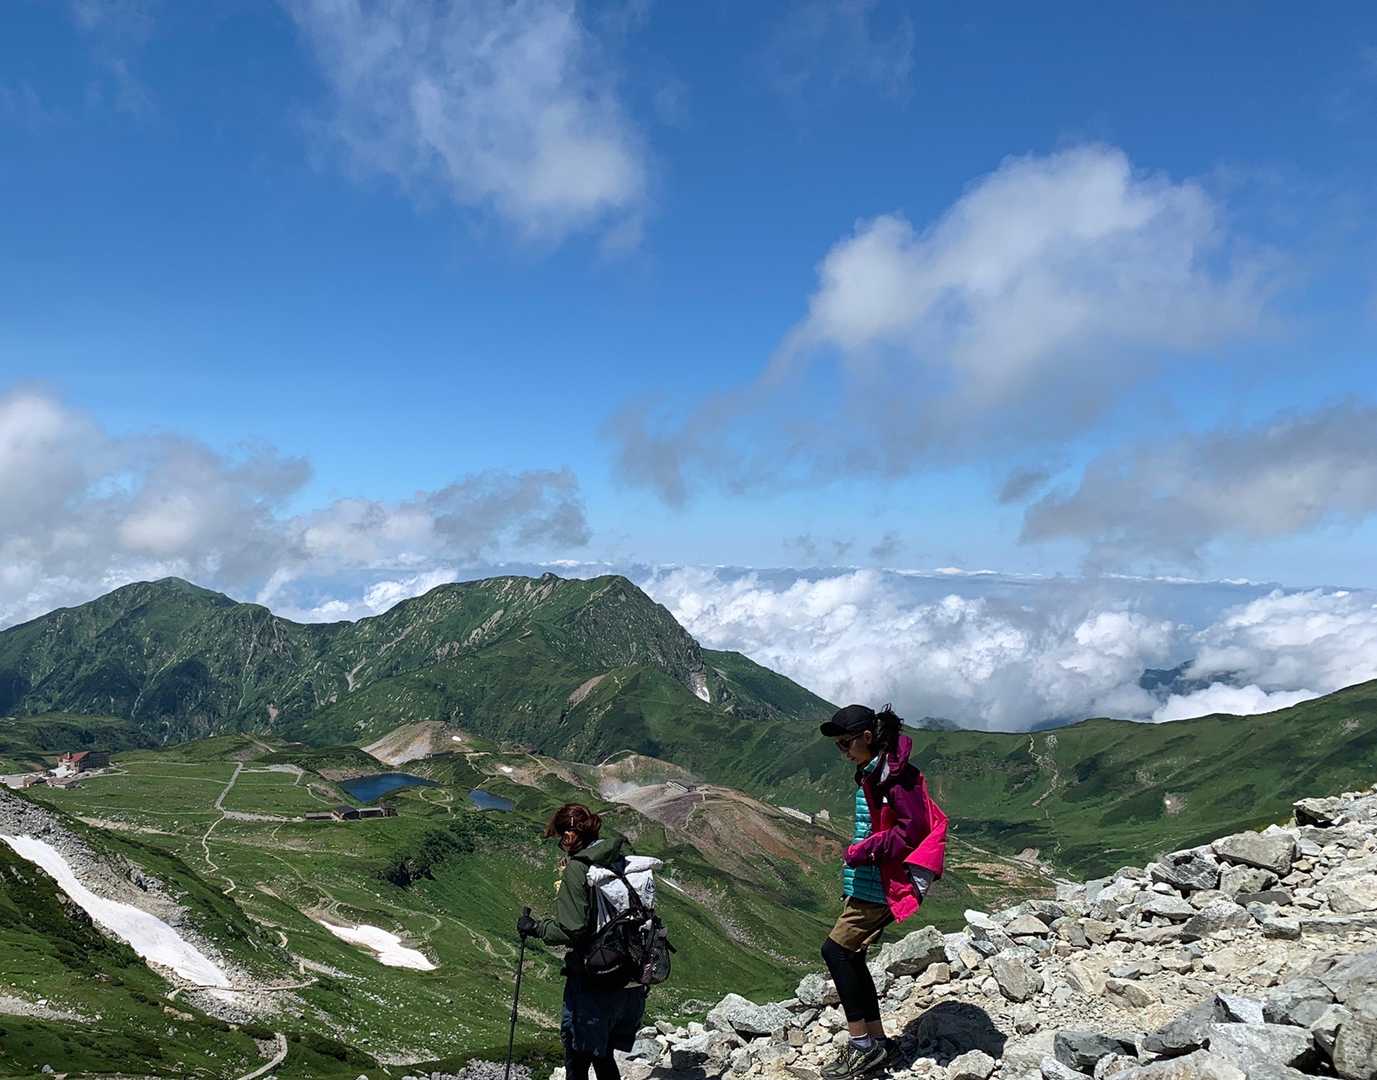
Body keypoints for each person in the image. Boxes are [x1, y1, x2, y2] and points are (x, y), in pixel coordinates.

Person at [817, 703, 948, 1079]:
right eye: (838, 745)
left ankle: (862, 1047)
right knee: (852, 955)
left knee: (835, 952)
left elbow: (911, 831)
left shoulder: (894, 777)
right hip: (870, 876)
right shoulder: (877, 770)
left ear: (867, 737)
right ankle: (877, 1041)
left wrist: (861, 852)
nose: (843, 751)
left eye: (846, 743)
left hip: (882, 880)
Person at [517, 803, 648, 1080]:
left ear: (569, 835)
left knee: (577, 1057)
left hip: (593, 982)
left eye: (560, 837)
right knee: (602, 1053)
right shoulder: (615, 856)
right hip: (628, 978)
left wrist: (537, 928)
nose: (561, 844)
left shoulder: (578, 868)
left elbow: (573, 929)